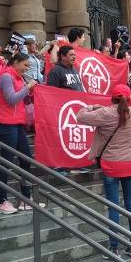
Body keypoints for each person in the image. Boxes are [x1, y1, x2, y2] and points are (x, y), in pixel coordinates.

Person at [77, 84, 131, 258]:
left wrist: (91, 107)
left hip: (111, 164)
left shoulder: (105, 113)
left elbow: (80, 116)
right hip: (130, 163)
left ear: (112, 97)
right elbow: (119, 112)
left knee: (113, 206)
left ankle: (114, 247)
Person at [0, 53, 39, 215]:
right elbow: (11, 99)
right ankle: (2, 201)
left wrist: (30, 89)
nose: (27, 68)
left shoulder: (19, 77)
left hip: (18, 123)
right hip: (7, 124)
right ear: (16, 62)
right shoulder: (6, 76)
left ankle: (25, 198)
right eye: (25, 65)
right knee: (7, 161)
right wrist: (28, 88)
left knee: (26, 159)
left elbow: (22, 99)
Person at [46, 44, 86, 174]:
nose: (74, 57)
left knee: (73, 139)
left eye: (75, 55)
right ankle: (59, 165)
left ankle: (75, 163)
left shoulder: (75, 70)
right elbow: (51, 93)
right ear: (62, 56)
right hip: (62, 112)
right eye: (71, 55)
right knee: (60, 139)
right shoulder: (55, 71)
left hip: (76, 111)